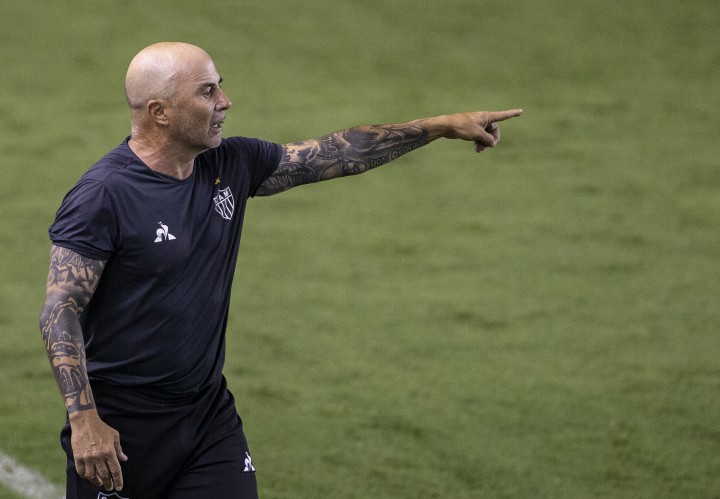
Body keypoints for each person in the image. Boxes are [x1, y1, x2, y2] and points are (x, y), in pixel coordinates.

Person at [39, 41, 522, 498]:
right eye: (206, 92)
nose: (225, 101)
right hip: (120, 427)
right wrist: (83, 420)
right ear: (159, 112)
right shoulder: (103, 194)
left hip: (206, 417)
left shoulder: (231, 163)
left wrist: (441, 125)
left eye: (220, 86)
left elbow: (340, 153)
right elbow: (60, 310)